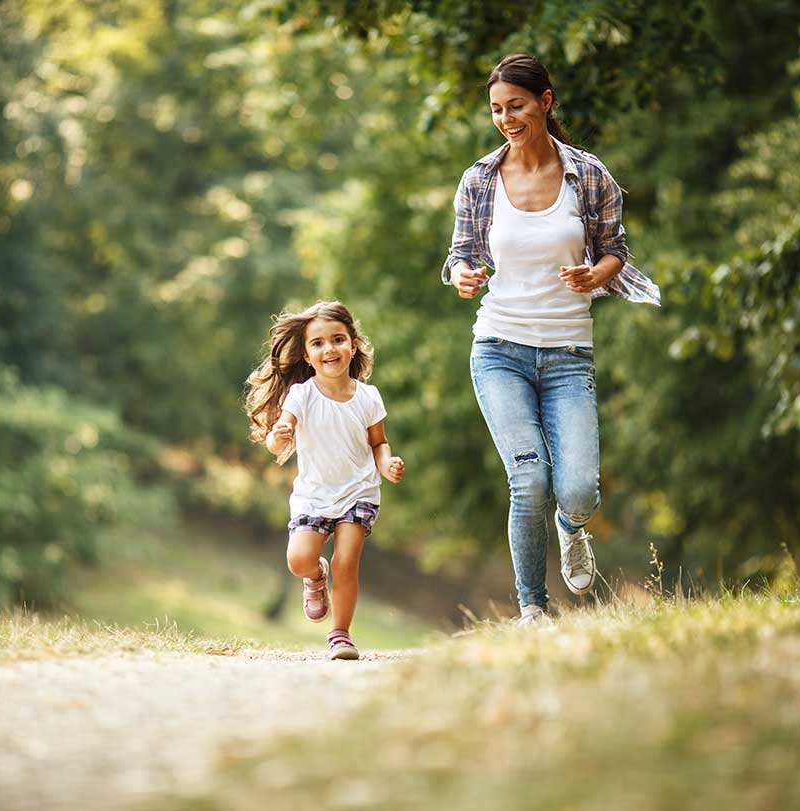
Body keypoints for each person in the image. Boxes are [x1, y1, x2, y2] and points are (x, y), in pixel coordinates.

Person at [442, 54, 660, 625]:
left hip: (567, 353)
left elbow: (616, 249)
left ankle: (572, 529)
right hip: (498, 349)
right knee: (529, 478)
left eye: (516, 105)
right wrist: (462, 274)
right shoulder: (480, 179)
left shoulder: (588, 175)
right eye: (496, 109)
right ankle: (532, 610)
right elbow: (460, 255)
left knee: (580, 490)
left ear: (546, 101)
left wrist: (597, 275)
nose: (506, 118)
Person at [245, 301, 405, 659]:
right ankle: (314, 576)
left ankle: (340, 635)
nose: (328, 349)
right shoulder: (301, 395)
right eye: (317, 343)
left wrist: (386, 463)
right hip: (314, 496)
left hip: (358, 492)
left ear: (353, 345)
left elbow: (378, 442)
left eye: (337, 340)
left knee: (346, 563)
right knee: (299, 560)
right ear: (307, 353)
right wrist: (281, 434)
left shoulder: (368, 397)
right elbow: (275, 440)